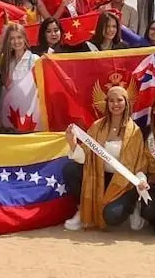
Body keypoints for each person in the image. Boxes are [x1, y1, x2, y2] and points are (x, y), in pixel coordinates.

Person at [62, 86, 148, 231]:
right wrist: (73, 144)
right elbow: (84, 158)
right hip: (98, 177)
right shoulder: (96, 127)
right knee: (70, 169)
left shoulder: (135, 132)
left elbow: (140, 164)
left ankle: (133, 205)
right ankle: (83, 209)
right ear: (106, 103)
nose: (115, 104)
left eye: (119, 100)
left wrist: (141, 181)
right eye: (111, 101)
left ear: (126, 103)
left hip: (122, 183)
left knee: (111, 217)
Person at [103, 95, 155, 236]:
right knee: (146, 210)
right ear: (153, 110)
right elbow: (135, 162)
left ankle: (153, 214)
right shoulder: (143, 133)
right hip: (146, 186)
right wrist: (140, 179)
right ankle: (138, 207)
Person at [0, 23, 39, 131]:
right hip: (10, 113)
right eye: (12, 38)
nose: (16, 41)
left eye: (19, 37)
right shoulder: (6, 62)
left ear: (25, 38)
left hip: (30, 113)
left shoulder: (34, 59)